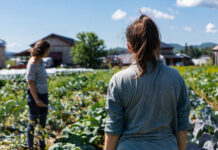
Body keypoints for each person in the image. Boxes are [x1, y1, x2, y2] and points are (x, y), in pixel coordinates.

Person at [104, 15, 190, 150]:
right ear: (157, 44)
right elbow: (182, 124)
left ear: (129, 46)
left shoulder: (119, 80)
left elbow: (113, 128)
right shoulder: (175, 77)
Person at [26, 40, 50, 150]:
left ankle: (42, 145)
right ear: (43, 50)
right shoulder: (33, 63)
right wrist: (36, 100)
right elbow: (30, 82)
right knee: (33, 122)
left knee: (42, 123)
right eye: (48, 50)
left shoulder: (41, 61)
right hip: (35, 97)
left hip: (43, 95)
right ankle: (30, 146)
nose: (49, 52)